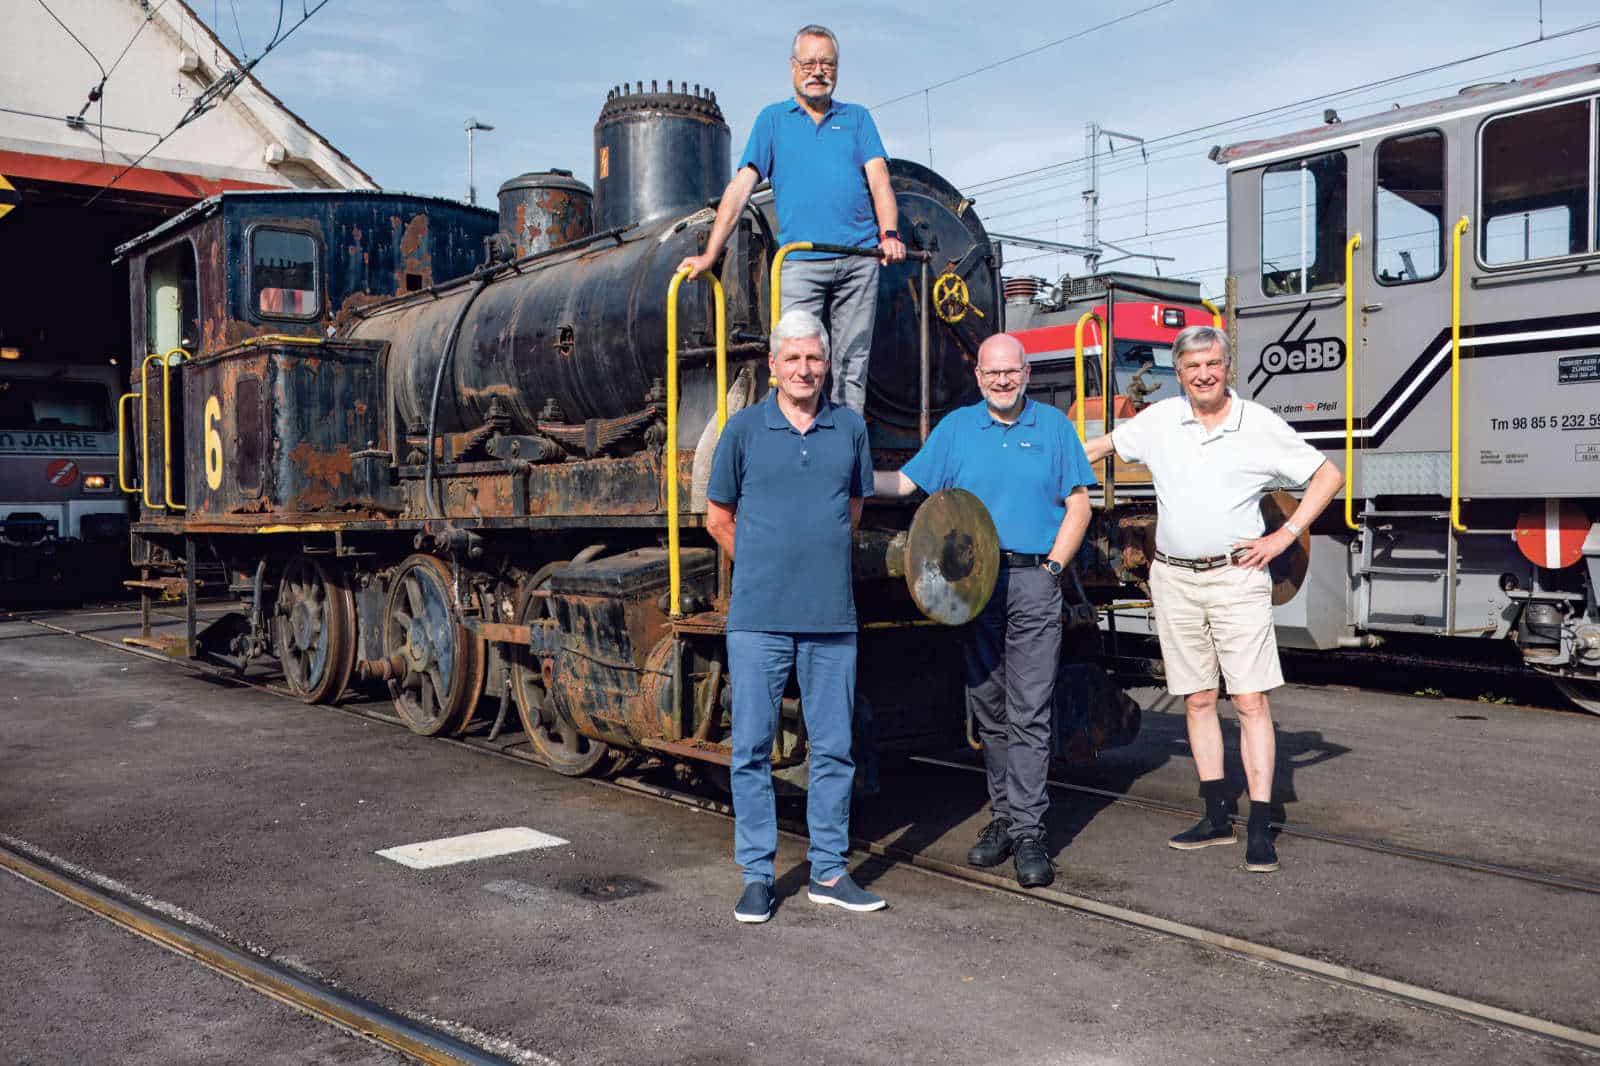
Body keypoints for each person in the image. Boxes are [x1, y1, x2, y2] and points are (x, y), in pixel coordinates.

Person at [1082, 325, 1344, 873]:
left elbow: (1328, 475)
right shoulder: (1160, 421)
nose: (1204, 374)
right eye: (1192, 366)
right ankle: (1215, 816)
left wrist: (1284, 536)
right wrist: (1030, 467)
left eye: (1213, 364)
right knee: (1198, 699)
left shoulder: (1258, 424)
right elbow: (1098, 448)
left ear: (1227, 368)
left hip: (1235, 579)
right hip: (1174, 579)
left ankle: (1261, 826)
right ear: (1178, 374)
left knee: (1249, 702)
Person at [875, 332, 1095, 889]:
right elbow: (904, 484)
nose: (1002, 380)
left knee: (1029, 710)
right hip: (974, 586)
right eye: (992, 372)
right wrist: (841, 472)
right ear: (978, 377)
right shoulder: (956, 429)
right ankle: (1004, 817)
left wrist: (1052, 570)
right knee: (990, 709)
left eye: (1011, 371)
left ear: (1027, 373)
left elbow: (1079, 506)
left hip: (1032, 581)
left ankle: (1029, 832)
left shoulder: (1053, 428)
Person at [706, 308, 882, 923]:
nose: (804, 369)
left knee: (833, 749)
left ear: (826, 364)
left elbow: (852, 510)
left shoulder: (850, 429)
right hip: (758, 619)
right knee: (752, 749)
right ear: (773, 366)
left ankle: (829, 872)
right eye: (793, 358)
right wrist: (766, 563)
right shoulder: (743, 431)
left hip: (832, 618)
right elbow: (717, 518)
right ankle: (758, 876)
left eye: (814, 358)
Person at [678, 24, 906, 415]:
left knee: (852, 367)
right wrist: (709, 254)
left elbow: (879, 181)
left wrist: (889, 234)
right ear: (793, 67)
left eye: (827, 64)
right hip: (799, 261)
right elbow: (740, 190)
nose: (818, 71)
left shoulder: (857, 118)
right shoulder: (772, 120)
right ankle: (796, 437)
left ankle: (844, 444)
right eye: (809, 63)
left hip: (859, 258)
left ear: (837, 69)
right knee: (794, 357)